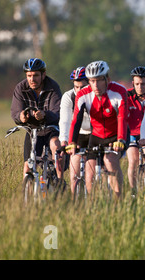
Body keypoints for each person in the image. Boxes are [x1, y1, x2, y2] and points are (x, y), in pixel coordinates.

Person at [66, 60, 128, 199]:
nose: (95, 85)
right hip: (97, 135)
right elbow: (76, 119)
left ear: (107, 79)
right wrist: (72, 142)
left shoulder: (118, 91)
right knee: (89, 174)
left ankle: (119, 201)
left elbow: (122, 118)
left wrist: (120, 139)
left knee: (110, 161)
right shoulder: (83, 94)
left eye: (99, 80)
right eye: (92, 81)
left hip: (116, 135)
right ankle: (92, 205)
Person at [11, 58, 63, 181]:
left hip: (51, 129)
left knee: (56, 147)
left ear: (43, 75)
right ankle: (27, 194)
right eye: (29, 75)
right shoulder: (20, 88)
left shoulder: (53, 87)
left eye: (35, 75)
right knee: (27, 166)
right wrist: (21, 117)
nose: (32, 79)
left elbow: (57, 112)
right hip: (33, 131)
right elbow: (15, 111)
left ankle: (60, 182)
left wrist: (45, 114)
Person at [59, 66, 91, 194]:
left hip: (95, 133)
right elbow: (65, 121)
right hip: (78, 134)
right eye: (76, 87)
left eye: (82, 87)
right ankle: (75, 203)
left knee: (93, 172)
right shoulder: (68, 96)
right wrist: (64, 141)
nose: (78, 91)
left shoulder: (94, 95)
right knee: (74, 175)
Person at [126, 66, 145, 190]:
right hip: (132, 131)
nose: (140, 87)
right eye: (137, 84)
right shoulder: (126, 96)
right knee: (133, 160)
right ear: (133, 83)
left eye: (143, 84)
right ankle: (133, 191)